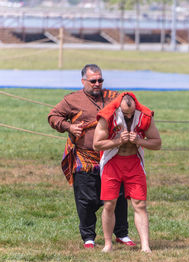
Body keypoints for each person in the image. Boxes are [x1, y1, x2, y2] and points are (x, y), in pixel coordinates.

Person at [48, 64, 135, 249]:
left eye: (100, 80)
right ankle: (88, 237)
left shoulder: (114, 97)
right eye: (93, 81)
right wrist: (69, 127)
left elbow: (132, 106)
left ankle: (122, 233)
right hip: (85, 156)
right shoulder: (71, 100)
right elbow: (53, 116)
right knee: (86, 199)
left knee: (118, 196)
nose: (97, 84)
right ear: (83, 81)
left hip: (112, 154)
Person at [93, 92, 161, 253]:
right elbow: (97, 145)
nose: (129, 116)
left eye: (131, 113)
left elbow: (157, 143)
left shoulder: (144, 115)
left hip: (134, 163)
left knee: (140, 204)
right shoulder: (107, 116)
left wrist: (139, 141)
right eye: (125, 113)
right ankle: (108, 244)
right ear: (118, 107)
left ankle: (145, 245)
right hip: (112, 163)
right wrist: (118, 141)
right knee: (109, 204)